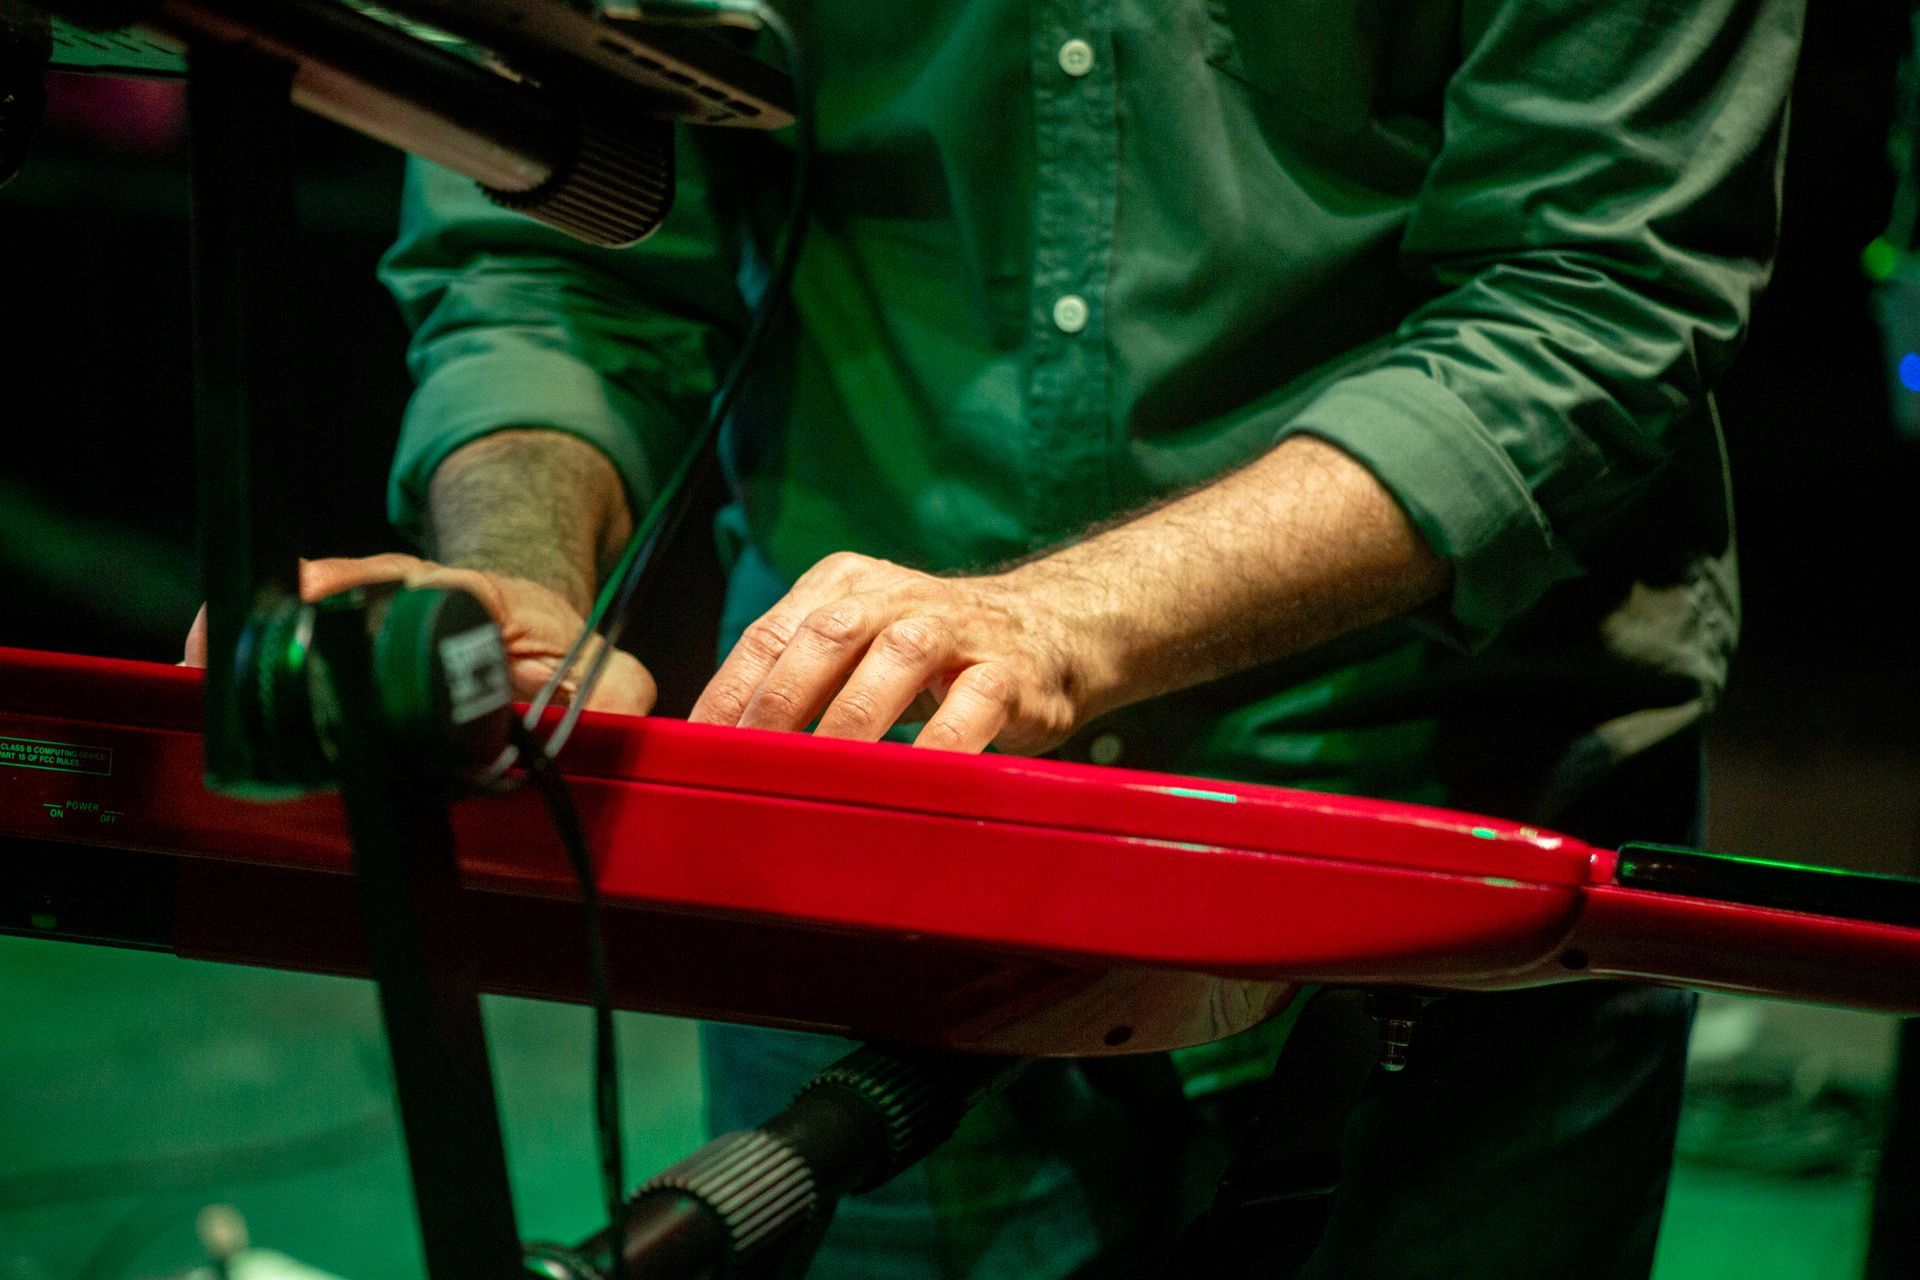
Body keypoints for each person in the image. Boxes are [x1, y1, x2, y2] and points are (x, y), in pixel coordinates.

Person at [247, 0, 1807, 1275]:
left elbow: (1589, 298)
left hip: (1435, 818)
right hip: (873, 836)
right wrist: (519, 581)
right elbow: (554, 242)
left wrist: (1069, 617)